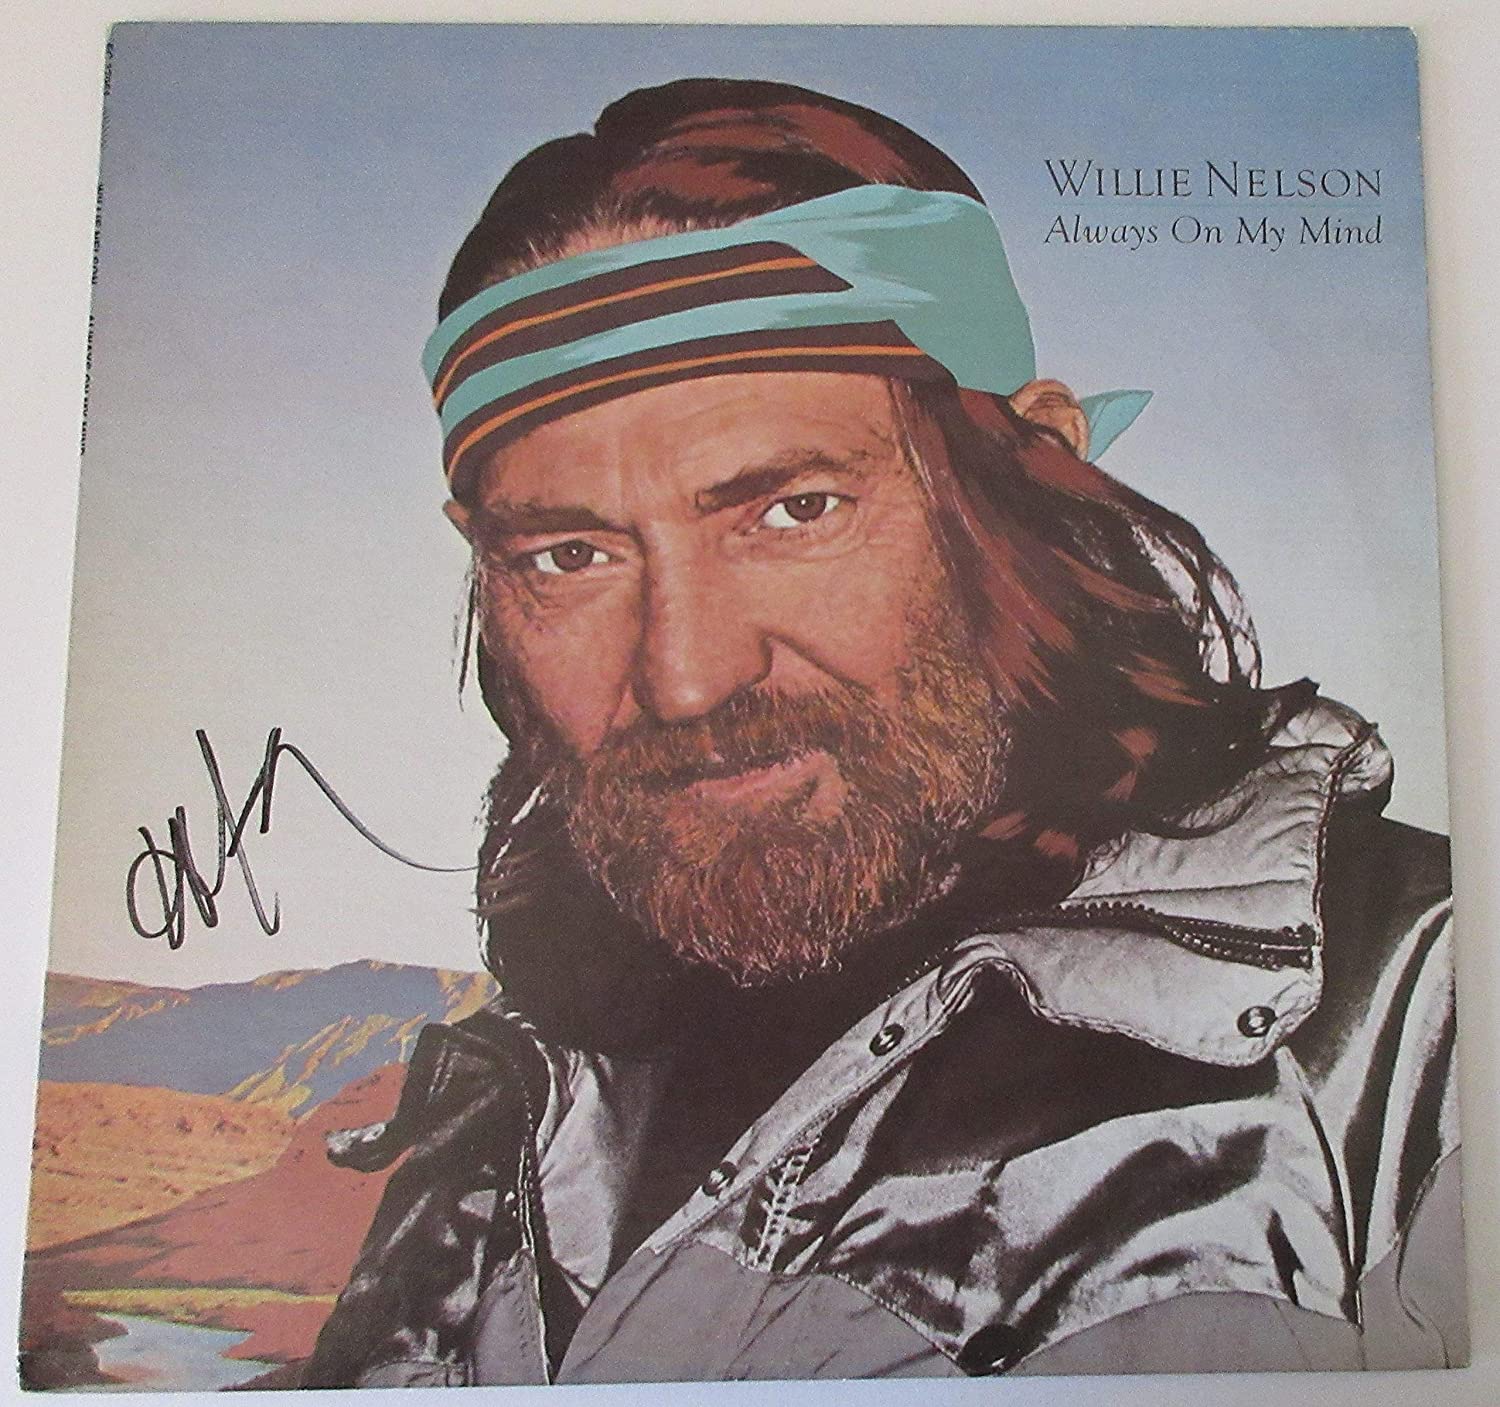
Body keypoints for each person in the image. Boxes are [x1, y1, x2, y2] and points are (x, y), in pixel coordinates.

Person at [301, 79, 1464, 1386]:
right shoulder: (511, 1105)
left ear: (1036, 481)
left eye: (793, 511)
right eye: (570, 555)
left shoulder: (1423, 1036)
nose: (687, 678)